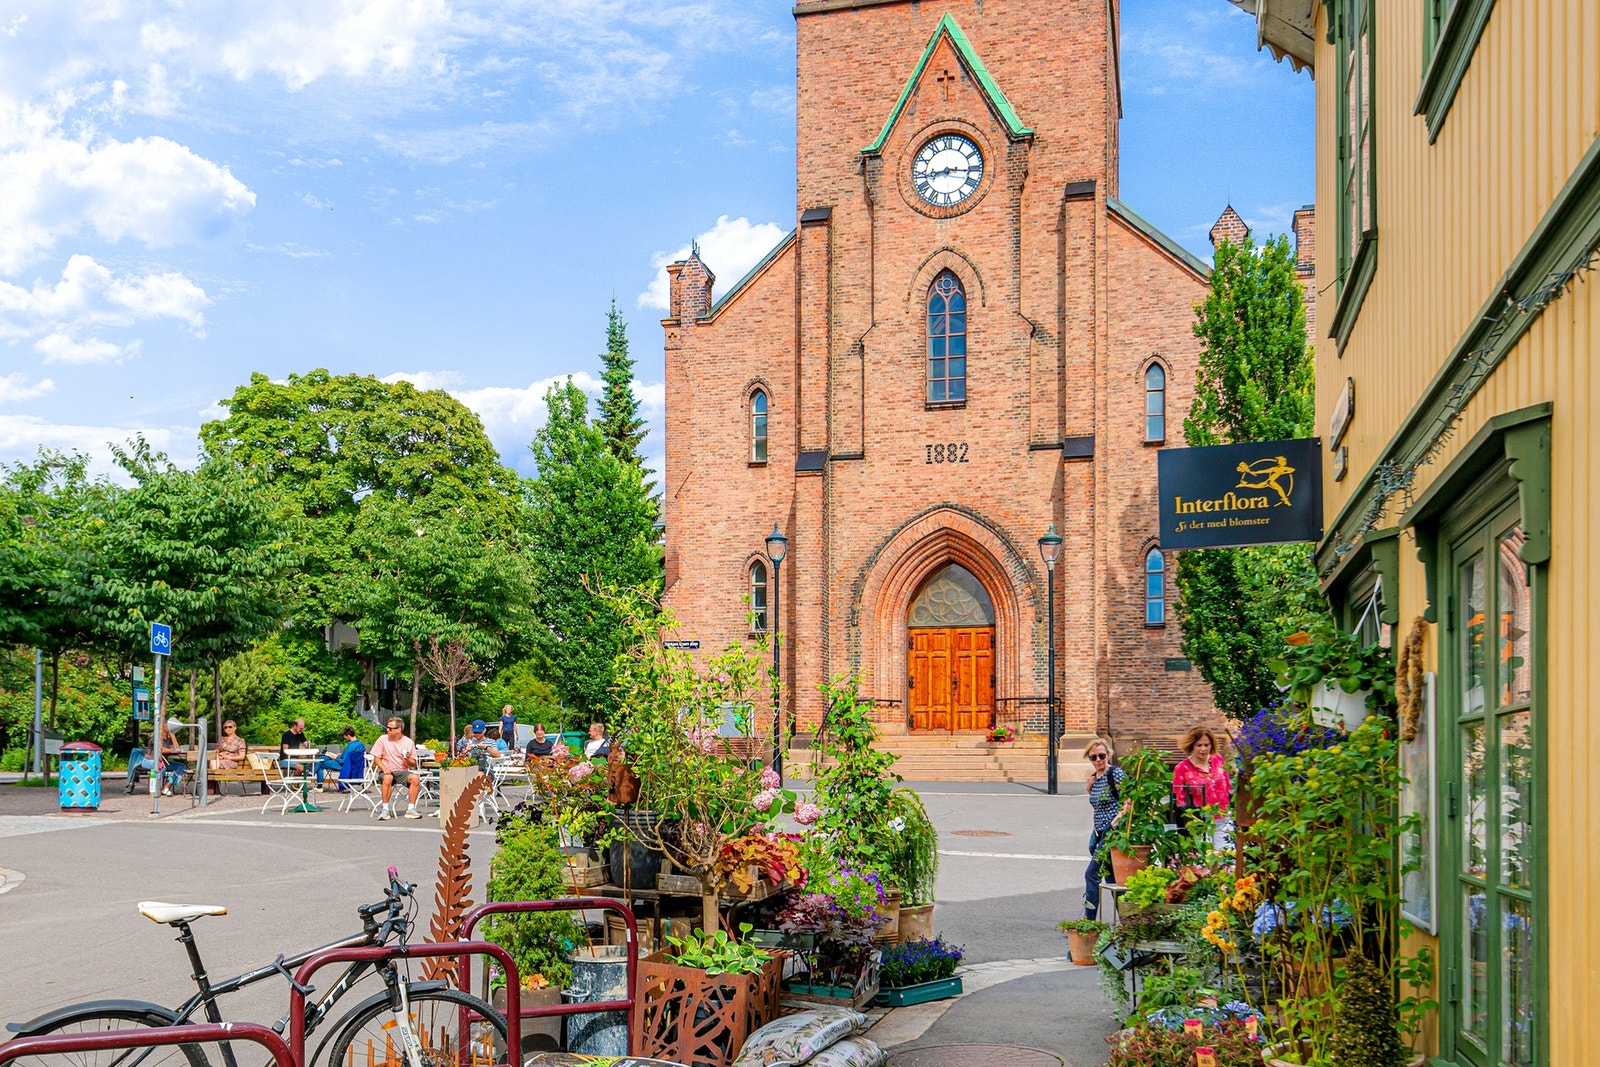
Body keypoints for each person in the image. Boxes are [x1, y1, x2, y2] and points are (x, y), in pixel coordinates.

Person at [1082, 736, 1126, 921]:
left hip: (1111, 833)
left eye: (1101, 755)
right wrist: (1089, 788)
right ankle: (1127, 920)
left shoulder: (1114, 773)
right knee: (1112, 880)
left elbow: (1128, 799)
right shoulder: (1095, 778)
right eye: (1094, 757)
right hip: (1099, 834)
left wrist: (1117, 820)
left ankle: (1089, 921)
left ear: (1108, 754)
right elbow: (1099, 803)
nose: (1098, 760)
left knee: (1091, 874)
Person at [1172, 725, 1232, 850]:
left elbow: (1228, 786)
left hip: (1224, 817)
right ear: (1191, 745)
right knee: (1205, 860)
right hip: (1201, 821)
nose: (1203, 749)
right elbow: (1180, 800)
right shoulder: (1182, 769)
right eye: (1199, 745)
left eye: (1207, 745)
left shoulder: (1219, 760)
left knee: (1227, 857)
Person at [371, 717, 423, 820]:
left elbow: (413, 762)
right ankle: (385, 810)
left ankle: (410, 809)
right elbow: (376, 758)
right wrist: (384, 768)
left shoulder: (408, 742)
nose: (387, 730)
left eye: (390, 728)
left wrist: (407, 758)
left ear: (398, 729)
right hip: (386, 771)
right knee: (388, 777)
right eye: (387, 727)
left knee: (415, 778)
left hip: (402, 771)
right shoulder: (383, 739)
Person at [159, 718, 187, 797]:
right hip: (157, 761)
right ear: (163, 727)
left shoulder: (168, 738)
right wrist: (171, 750)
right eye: (168, 726)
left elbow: (177, 748)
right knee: (162, 768)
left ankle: (166, 786)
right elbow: (160, 749)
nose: (169, 727)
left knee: (182, 766)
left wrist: (172, 735)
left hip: (165, 762)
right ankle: (161, 788)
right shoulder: (158, 737)